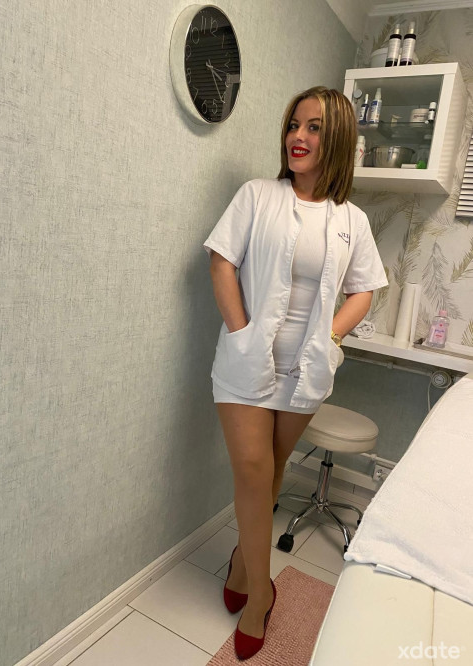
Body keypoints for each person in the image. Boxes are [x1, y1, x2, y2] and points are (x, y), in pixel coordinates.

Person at [203, 86, 388, 660]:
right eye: (293, 125)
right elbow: (221, 261)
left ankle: (242, 562)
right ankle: (261, 592)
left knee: (274, 467)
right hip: (246, 360)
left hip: (304, 370)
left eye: (313, 128)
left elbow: (365, 290)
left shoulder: (352, 220)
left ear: (337, 141)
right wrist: (240, 332)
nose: (298, 137)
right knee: (254, 470)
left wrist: (331, 338)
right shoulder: (257, 195)